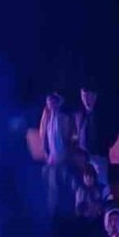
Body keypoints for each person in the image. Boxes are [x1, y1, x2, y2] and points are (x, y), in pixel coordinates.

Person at [40, 92, 78, 224]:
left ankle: (67, 218)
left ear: (58, 103)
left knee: (65, 188)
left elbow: (72, 138)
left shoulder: (65, 118)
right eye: (49, 101)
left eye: (54, 101)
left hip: (64, 159)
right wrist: (47, 154)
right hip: (51, 160)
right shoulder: (46, 118)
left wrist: (68, 154)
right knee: (52, 189)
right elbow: (43, 137)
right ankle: (51, 219)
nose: (51, 103)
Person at [76, 85, 118, 198]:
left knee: (102, 186)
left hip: (99, 157)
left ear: (95, 96)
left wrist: (103, 147)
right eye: (84, 96)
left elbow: (113, 133)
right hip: (84, 158)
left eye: (89, 96)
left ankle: (104, 206)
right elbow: (77, 134)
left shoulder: (104, 115)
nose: (86, 99)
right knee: (84, 188)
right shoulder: (79, 114)